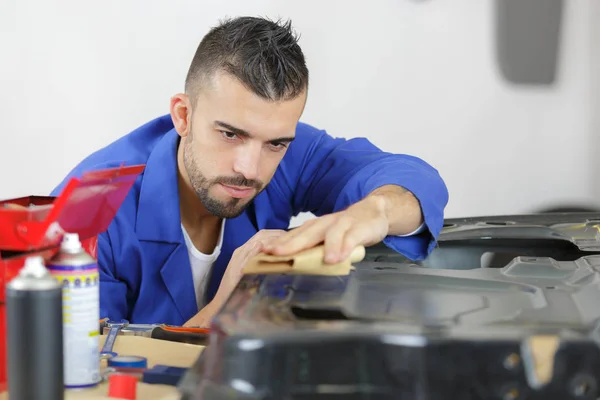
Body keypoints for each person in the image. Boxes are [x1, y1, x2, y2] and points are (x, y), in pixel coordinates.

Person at [51, 16, 449, 326]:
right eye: (229, 134)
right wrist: (229, 304)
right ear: (183, 115)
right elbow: (89, 379)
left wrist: (374, 212)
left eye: (275, 143)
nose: (249, 168)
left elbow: (411, 178)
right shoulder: (85, 217)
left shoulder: (285, 149)